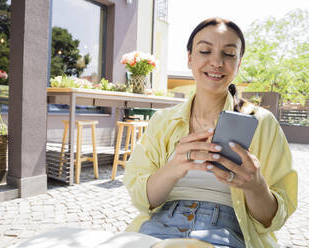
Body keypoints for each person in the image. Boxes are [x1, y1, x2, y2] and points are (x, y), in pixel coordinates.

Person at [123, 17, 298, 248]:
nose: (216, 62)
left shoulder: (261, 123)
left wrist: (256, 186)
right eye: (205, 50)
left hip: (229, 231)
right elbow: (142, 199)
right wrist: (174, 167)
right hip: (159, 225)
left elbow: (272, 219)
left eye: (228, 54)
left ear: (239, 63)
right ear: (189, 58)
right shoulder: (163, 121)